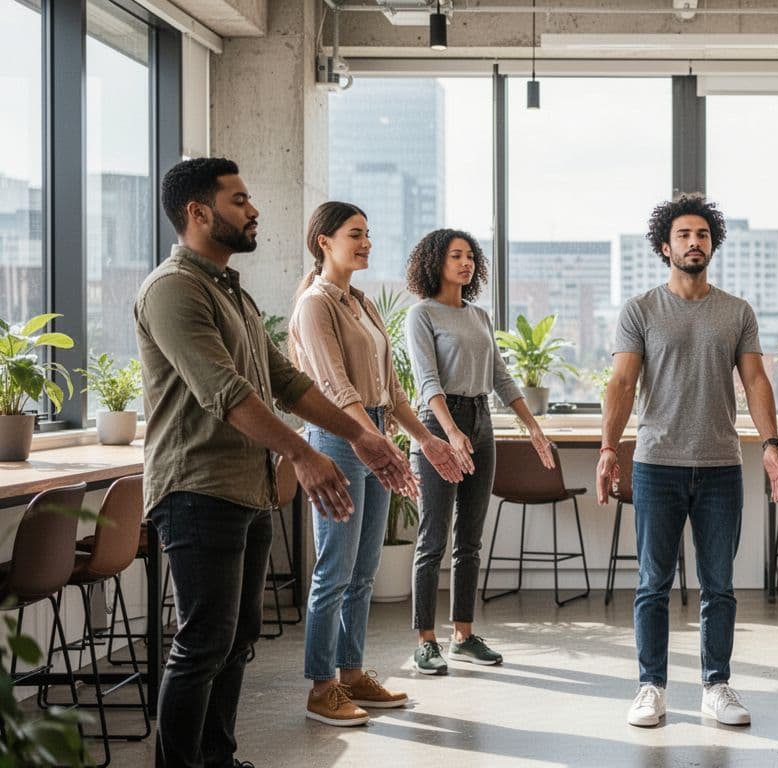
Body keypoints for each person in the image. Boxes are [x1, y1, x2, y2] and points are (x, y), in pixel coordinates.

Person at [136, 158, 418, 767]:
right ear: (198, 213)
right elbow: (225, 391)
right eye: (239, 200)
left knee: (237, 640)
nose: (254, 209)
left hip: (249, 486)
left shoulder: (228, 290)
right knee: (203, 642)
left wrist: (363, 438)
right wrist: (305, 451)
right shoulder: (173, 289)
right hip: (196, 487)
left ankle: (219, 759)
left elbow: (284, 380)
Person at [596, 193, 778, 728]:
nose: (693, 242)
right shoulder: (641, 310)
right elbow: (623, 382)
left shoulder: (736, 311)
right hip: (658, 464)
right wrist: (609, 448)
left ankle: (716, 685)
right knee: (653, 582)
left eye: (702, 234)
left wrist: (772, 444)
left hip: (722, 465)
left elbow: (755, 381)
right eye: (683, 235)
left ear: (712, 244)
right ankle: (651, 686)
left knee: (719, 584)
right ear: (665, 246)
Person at [288, 202, 467, 726]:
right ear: (324, 241)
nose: (366, 243)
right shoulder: (315, 305)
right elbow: (335, 388)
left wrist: (425, 441)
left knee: (363, 571)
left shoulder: (362, 304)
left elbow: (390, 392)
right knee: (335, 569)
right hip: (339, 437)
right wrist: (372, 441)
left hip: (372, 430)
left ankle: (351, 673)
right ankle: (322, 688)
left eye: (369, 234)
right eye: (355, 234)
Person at [405, 228, 556, 673]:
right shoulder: (422, 315)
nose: (466, 263)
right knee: (434, 538)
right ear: (436, 262)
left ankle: (463, 635)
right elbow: (427, 381)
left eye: (470, 256)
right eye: (456, 255)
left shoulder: (479, 317)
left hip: (481, 421)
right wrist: (449, 432)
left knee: (470, 539)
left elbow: (502, 378)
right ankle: (425, 639)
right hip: (438, 422)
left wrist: (533, 427)